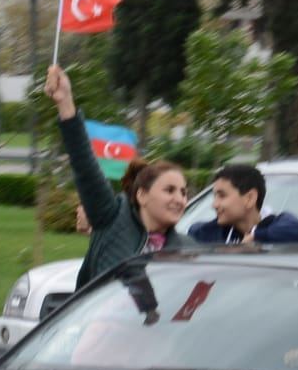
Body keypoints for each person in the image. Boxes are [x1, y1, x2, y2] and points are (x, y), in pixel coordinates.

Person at [45, 65, 190, 290]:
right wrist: (65, 103)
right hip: (101, 323)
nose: (179, 199)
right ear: (142, 195)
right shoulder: (110, 217)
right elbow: (84, 164)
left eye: (184, 192)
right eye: (169, 190)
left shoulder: (188, 249)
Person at [187, 164, 298, 244]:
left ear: (250, 198)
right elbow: (191, 232)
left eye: (222, 196)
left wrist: (257, 238)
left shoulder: (279, 227)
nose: (214, 205)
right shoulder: (207, 233)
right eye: (214, 196)